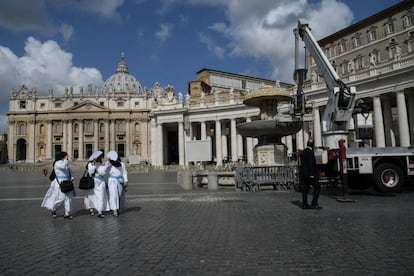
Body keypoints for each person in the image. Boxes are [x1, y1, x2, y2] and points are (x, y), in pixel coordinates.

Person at [41, 152, 75, 219]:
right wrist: (66, 160)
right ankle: (53, 208)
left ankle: (67, 213)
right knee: (61, 198)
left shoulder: (65, 163)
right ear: (63, 156)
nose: (68, 157)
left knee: (68, 198)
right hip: (60, 182)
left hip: (68, 182)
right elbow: (63, 167)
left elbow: (69, 171)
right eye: (66, 156)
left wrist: (72, 177)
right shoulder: (57, 163)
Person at [299, 139, 322, 210]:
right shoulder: (311, 152)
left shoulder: (303, 152)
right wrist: (312, 174)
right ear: (312, 145)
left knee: (305, 190)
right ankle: (314, 203)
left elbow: (301, 163)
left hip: (304, 174)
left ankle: (304, 204)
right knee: (317, 187)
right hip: (310, 174)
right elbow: (311, 163)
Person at [105, 151, 128, 217]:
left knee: (120, 195)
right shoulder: (109, 164)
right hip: (112, 181)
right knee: (113, 195)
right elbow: (105, 170)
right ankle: (114, 210)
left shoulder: (121, 164)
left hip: (120, 180)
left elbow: (124, 172)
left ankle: (118, 207)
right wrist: (107, 162)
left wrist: (126, 180)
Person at [86, 150, 109, 218]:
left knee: (100, 196)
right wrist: (93, 164)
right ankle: (91, 208)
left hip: (100, 182)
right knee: (91, 196)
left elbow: (104, 172)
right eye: (99, 157)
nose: (100, 158)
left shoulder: (101, 164)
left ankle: (100, 211)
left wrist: (107, 163)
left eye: (100, 157)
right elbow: (90, 172)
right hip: (93, 181)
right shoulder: (90, 164)